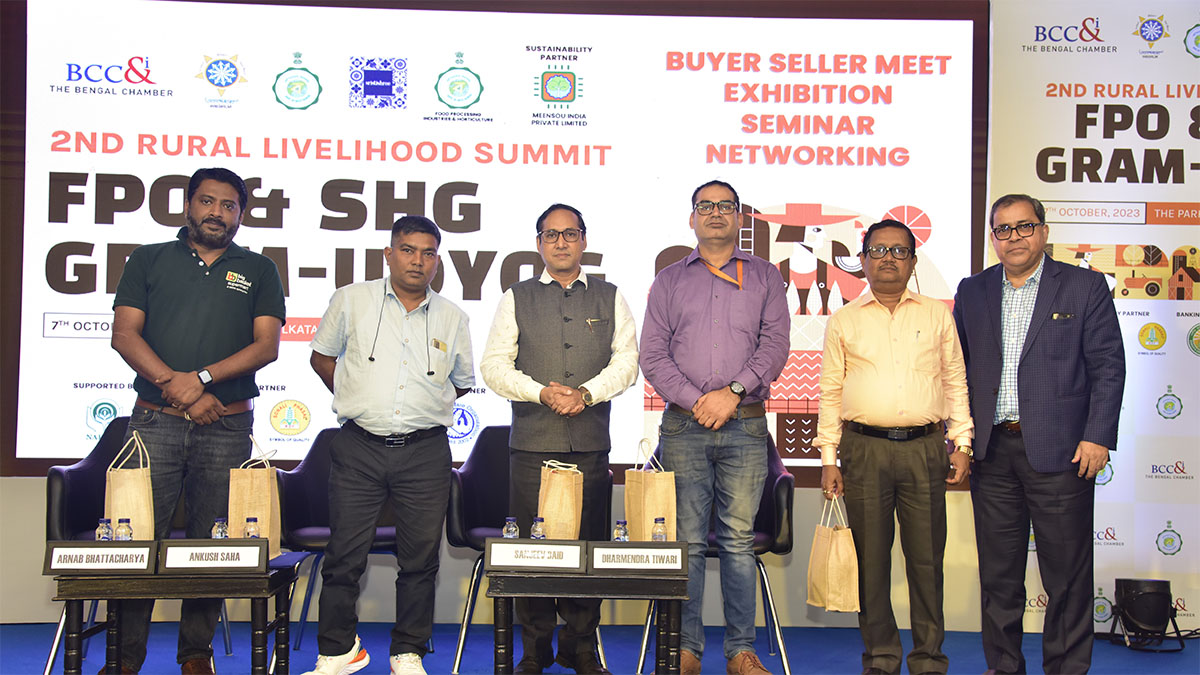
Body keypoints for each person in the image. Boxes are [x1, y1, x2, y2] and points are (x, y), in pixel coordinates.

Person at [109, 167, 286, 674]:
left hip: (226, 428)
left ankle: (195, 654)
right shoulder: (148, 259)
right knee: (136, 540)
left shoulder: (258, 269)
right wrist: (179, 387)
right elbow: (125, 335)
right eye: (207, 202)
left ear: (240, 214)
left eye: (229, 205)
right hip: (154, 424)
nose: (217, 213)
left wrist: (201, 378)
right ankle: (124, 659)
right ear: (187, 205)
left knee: (213, 545)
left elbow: (266, 346)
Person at [954, 194, 1124, 674]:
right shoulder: (973, 291)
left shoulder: (1084, 286)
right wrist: (962, 441)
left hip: (1063, 452)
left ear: (1043, 231)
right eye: (1003, 229)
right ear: (993, 238)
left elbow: (1109, 365)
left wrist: (1098, 436)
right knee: (999, 576)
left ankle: (1066, 669)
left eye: (1024, 227)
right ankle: (1003, 667)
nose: (1014, 238)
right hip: (992, 453)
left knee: (1066, 575)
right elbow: (958, 371)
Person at [305, 216, 475, 675]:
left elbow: (460, 383)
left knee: (419, 560)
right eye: (407, 249)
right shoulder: (351, 300)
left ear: (437, 260)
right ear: (388, 253)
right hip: (358, 447)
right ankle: (338, 651)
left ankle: (408, 651)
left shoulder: (453, 317)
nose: (417, 260)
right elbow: (321, 356)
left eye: (428, 252)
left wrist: (420, 409)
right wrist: (357, 395)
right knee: (343, 557)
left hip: (425, 453)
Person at [480, 203, 638, 674]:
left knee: (586, 548)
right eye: (552, 235)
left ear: (584, 241)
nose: (562, 242)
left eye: (570, 234)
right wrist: (541, 392)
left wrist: (586, 394)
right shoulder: (516, 296)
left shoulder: (610, 296)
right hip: (531, 446)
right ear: (539, 244)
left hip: (589, 445)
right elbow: (493, 365)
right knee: (534, 549)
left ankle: (581, 646)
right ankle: (534, 650)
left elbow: (627, 363)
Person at [640, 180, 789, 675]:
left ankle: (741, 650)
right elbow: (653, 356)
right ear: (692, 219)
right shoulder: (669, 280)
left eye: (726, 206)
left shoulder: (766, 276)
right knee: (684, 542)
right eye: (706, 206)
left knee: (738, 540)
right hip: (683, 428)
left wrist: (733, 393)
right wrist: (697, 401)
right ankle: (686, 648)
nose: (716, 214)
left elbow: (775, 347)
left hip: (745, 428)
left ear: (741, 218)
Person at [817, 219, 973, 675]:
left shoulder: (936, 314)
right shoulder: (844, 319)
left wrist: (961, 441)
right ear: (862, 261)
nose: (888, 259)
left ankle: (928, 659)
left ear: (913, 262)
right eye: (878, 251)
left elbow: (955, 380)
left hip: (925, 449)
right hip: (863, 450)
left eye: (899, 251)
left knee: (927, 560)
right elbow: (829, 391)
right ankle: (881, 657)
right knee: (871, 563)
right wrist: (829, 456)